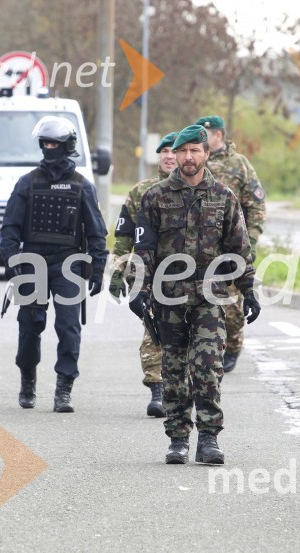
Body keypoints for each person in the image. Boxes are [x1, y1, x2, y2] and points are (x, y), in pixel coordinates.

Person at [132, 124, 261, 465]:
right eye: (182, 150)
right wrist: (139, 289)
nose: (188, 157)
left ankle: (208, 438)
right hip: (168, 297)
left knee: (207, 367)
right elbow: (143, 249)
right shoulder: (155, 196)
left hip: (210, 296)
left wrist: (250, 290)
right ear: (174, 154)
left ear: (206, 154)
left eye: (195, 150)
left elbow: (239, 250)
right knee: (173, 371)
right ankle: (177, 438)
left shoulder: (223, 196)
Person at [0, 116, 108, 413]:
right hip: (32, 262)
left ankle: (64, 388)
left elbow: (97, 231)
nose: (49, 148)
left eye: (55, 144)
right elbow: (9, 230)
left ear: (67, 146)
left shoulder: (82, 186)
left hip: (68, 264)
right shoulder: (27, 183)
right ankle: (28, 379)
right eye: (45, 143)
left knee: (69, 326)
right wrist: (12, 261)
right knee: (30, 326)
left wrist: (98, 269)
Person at [111, 131, 177, 418]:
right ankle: (158, 390)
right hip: (149, 271)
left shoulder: (202, 190)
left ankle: (185, 389)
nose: (169, 156)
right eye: (164, 152)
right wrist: (117, 271)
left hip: (192, 274)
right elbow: (124, 236)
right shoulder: (141, 192)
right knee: (155, 328)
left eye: (174, 151)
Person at [194, 115, 266, 374]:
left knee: (234, 310)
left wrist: (252, 241)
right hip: (198, 248)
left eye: (206, 134)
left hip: (232, 247)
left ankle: (233, 346)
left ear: (219, 135)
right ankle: (207, 351)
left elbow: (256, 206)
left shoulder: (239, 165)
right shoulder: (194, 163)